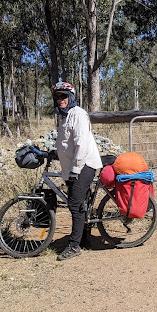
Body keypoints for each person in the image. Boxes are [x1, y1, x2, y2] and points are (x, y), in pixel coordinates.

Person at [52, 81, 103, 261]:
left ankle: (74, 246)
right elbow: (67, 143)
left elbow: (82, 145)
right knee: (82, 204)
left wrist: (75, 170)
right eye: (57, 96)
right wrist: (54, 153)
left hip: (84, 165)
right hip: (73, 167)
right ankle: (84, 239)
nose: (60, 99)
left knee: (75, 205)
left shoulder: (78, 114)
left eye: (64, 96)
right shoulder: (64, 116)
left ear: (71, 97)